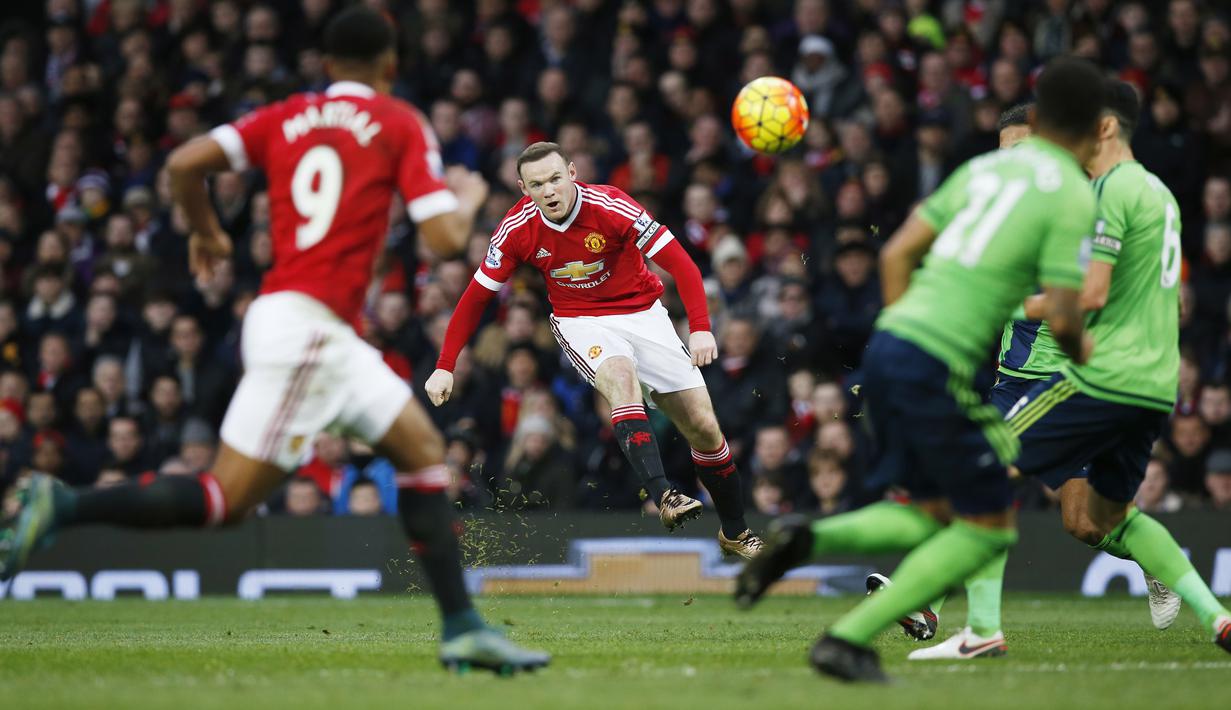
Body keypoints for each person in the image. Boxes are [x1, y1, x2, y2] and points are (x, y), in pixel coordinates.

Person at [0, 7, 547, 675]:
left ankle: (461, 627)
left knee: (418, 453)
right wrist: (462, 197)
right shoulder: (398, 120)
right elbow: (442, 240)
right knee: (228, 500)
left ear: (324, 65)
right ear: (390, 65)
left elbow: (182, 163)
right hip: (311, 332)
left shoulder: (285, 116)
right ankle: (67, 504)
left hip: (301, 322)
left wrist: (205, 230)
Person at [734, 57, 1104, 683]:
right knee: (990, 523)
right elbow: (1065, 320)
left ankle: (808, 541)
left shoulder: (982, 170)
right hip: (936, 365)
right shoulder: (1071, 194)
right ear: (1092, 130)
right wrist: (1087, 358)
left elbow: (898, 250)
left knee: (937, 513)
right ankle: (858, 633)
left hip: (893, 347)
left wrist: (910, 334)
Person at [905, 80, 1231, 661]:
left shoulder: (1093, 205)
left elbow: (1090, 293)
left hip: (1075, 381)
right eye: (1005, 153)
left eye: (1025, 149)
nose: (1015, 163)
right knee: (997, 481)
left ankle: (958, 615)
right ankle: (943, 609)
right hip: (1016, 381)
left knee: (1078, 520)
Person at [425, 141, 764, 559]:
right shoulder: (517, 228)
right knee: (620, 377)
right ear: (522, 188)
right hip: (580, 321)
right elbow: (476, 297)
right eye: (537, 184)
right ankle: (665, 496)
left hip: (644, 314)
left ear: (571, 172)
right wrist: (445, 365)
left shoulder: (612, 205)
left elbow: (682, 264)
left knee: (704, 426)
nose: (549, 190)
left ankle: (735, 532)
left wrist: (701, 329)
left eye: (554, 178)